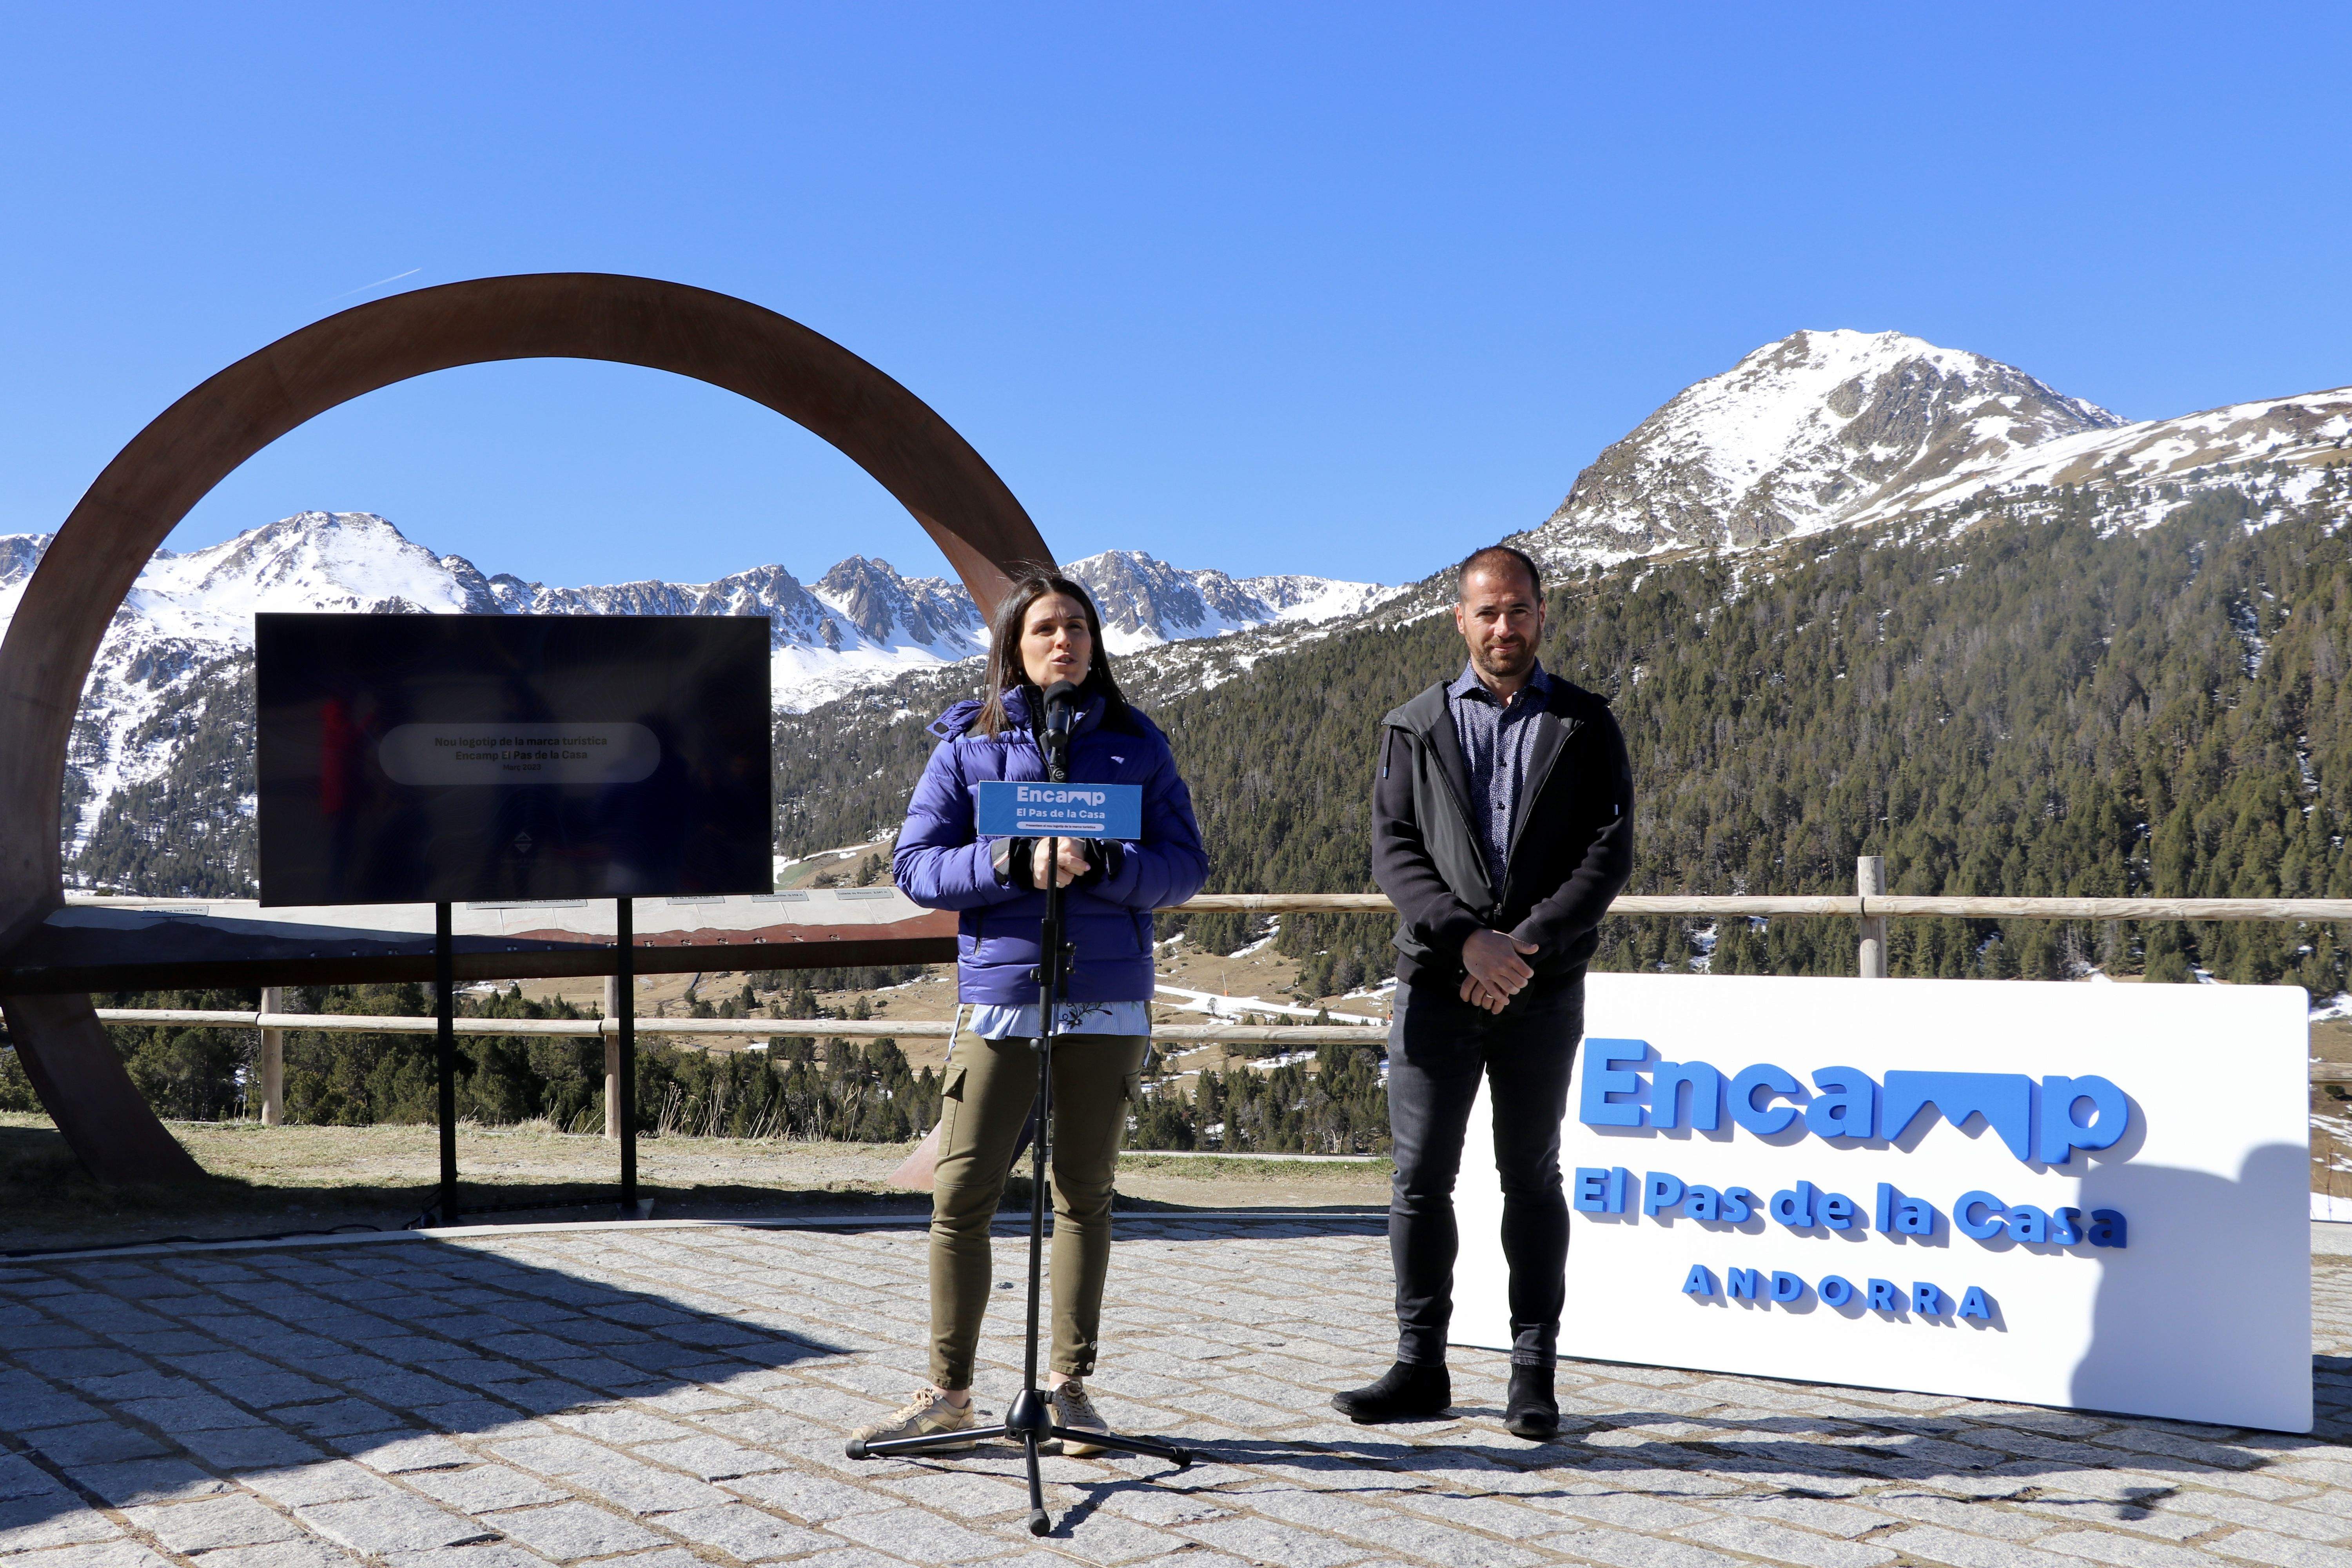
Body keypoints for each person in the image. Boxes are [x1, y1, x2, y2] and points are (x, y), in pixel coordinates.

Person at [854, 567, 1208, 1455]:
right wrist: (1012, 865)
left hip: (1107, 998)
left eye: (1080, 628)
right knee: (963, 1191)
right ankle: (948, 1389)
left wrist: (1110, 863)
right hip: (1004, 998)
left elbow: (1184, 865)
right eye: (1047, 627)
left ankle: (1072, 1389)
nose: (1065, 641)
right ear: (1014, 643)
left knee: (1084, 1195)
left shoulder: (1137, 744)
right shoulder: (968, 746)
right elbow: (916, 864)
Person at [1334, 543, 1634, 1441]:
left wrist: (1524, 949)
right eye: (1488, 612)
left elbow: (1606, 854)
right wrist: (1468, 940)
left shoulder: (1587, 723)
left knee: (1529, 1177)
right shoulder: (1412, 724)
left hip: (1541, 988)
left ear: (1543, 614)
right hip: (1436, 980)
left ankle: (1531, 1373)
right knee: (1419, 1179)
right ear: (1458, 619)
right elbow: (1395, 850)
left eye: (1520, 610)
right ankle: (1420, 1366)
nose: (1505, 627)